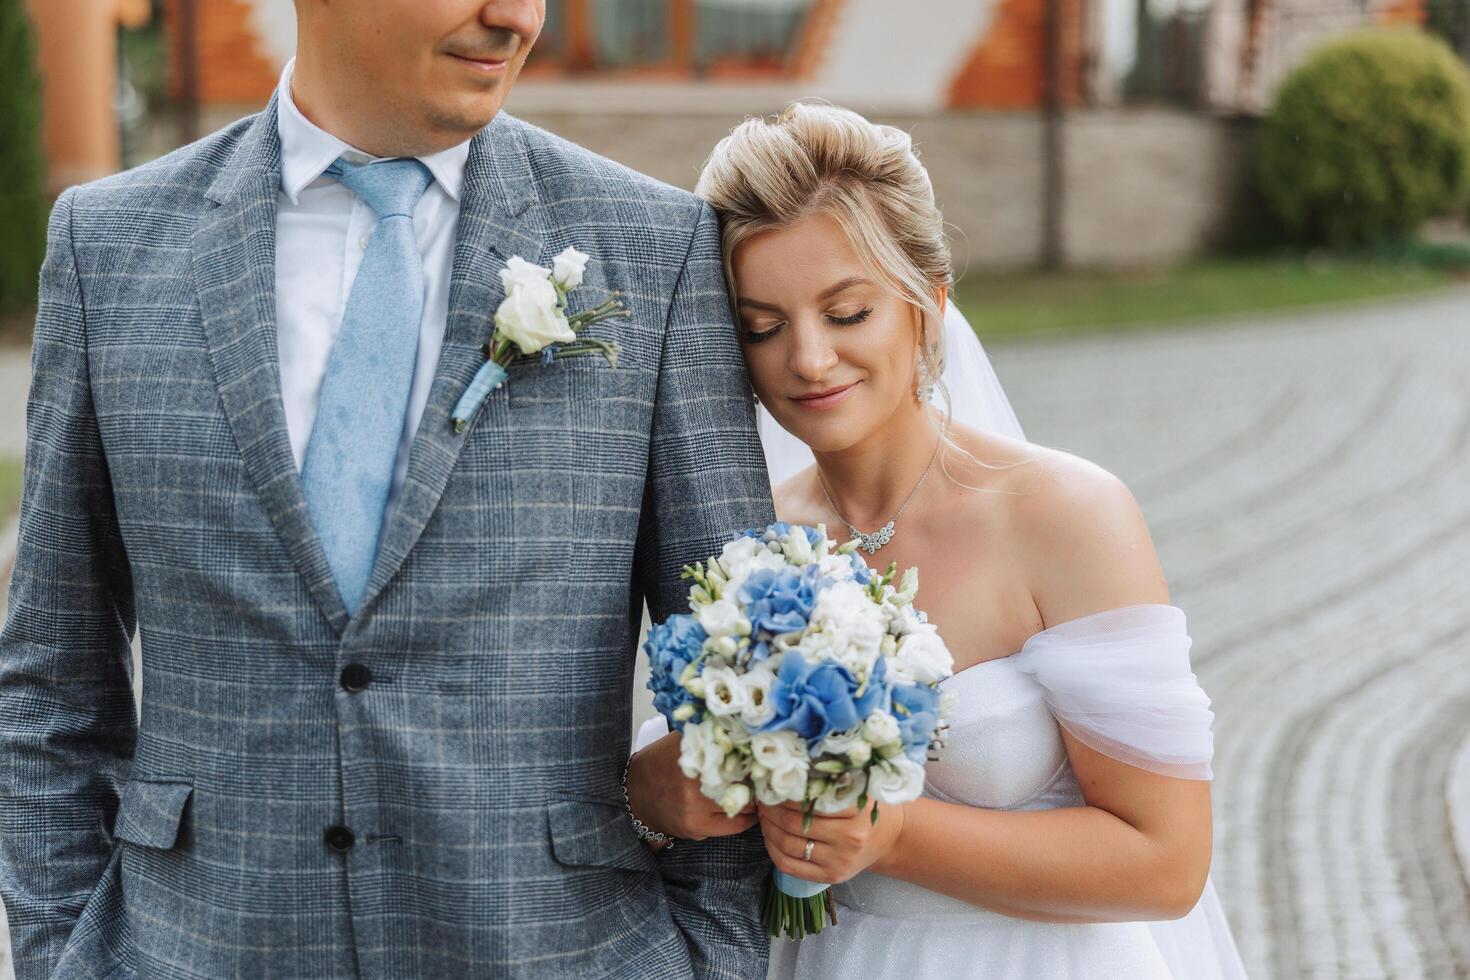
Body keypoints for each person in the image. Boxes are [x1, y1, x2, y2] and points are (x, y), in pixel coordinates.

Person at [0, 2, 774, 977]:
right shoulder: (107, 248)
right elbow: (52, 684)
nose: (516, 17)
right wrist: (64, 951)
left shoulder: (654, 249)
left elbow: (748, 666)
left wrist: (707, 958)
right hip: (191, 947)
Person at [625, 101, 1247, 978]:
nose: (806, 359)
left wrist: (894, 833)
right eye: (763, 326)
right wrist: (650, 793)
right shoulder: (749, 540)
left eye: (847, 313)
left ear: (927, 305)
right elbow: (672, 786)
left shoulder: (1063, 514)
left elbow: (1167, 862)